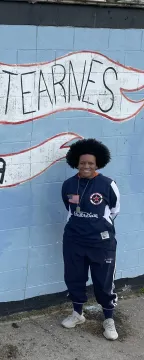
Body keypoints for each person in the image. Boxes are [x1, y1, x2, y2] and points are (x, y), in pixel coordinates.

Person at [60, 138, 121, 340]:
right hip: (74, 240)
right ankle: (78, 314)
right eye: (83, 162)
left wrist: (97, 226)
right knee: (74, 277)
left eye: (90, 163)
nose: (86, 166)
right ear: (76, 163)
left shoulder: (107, 184)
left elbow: (114, 210)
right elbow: (69, 208)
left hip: (101, 242)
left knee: (103, 282)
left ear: (97, 164)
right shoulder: (69, 184)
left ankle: (109, 320)